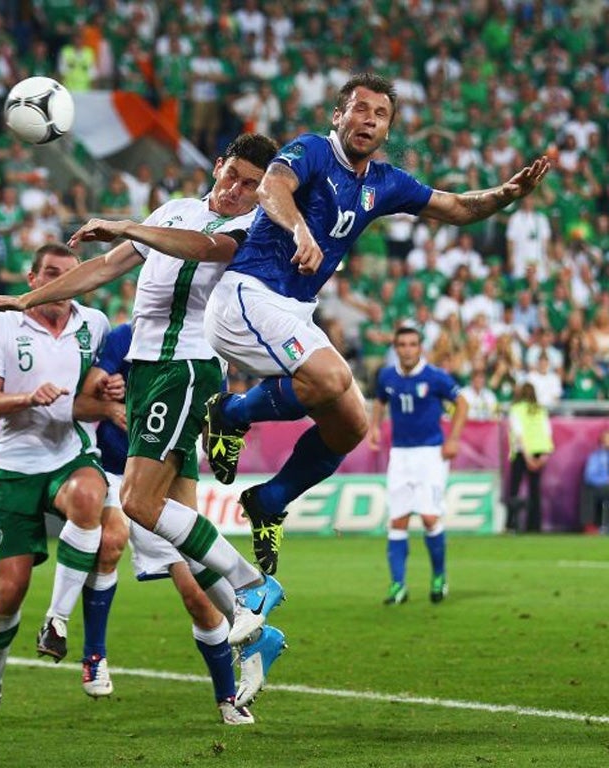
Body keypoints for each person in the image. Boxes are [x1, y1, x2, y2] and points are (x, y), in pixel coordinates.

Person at [197, 73, 547, 576]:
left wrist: (506, 194)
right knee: (331, 379)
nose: (369, 120)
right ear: (339, 116)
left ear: (387, 129)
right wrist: (298, 228)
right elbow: (273, 187)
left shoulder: (383, 183)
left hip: (291, 311)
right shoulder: (313, 151)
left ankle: (270, 499)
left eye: (380, 115)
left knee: (352, 424)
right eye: (360, 109)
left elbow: (454, 207)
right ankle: (230, 413)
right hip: (247, 296)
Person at [0, 134, 285, 660]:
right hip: (149, 372)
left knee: (139, 502)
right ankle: (253, 635)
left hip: (186, 368)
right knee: (184, 526)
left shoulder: (251, 228)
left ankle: (252, 582)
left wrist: (125, 225)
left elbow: (200, 249)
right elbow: (104, 267)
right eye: (233, 175)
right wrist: (29, 298)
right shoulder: (176, 210)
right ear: (217, 166)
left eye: (252, 185)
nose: (237, 190)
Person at [74, 322, 284, 722]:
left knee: (197, 596)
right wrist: (108, 402)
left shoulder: (207, 346)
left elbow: (209, 416)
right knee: (111, 539)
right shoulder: (125, 339)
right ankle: (93, 654)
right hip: (116, 470)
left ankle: (232, 690)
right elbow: (80, 403)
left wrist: (217, 439)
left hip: (170, 462)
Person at [0, 244, 129, 728]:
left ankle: (56, 621)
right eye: (53, 274)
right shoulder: (2, 326)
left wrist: (109, 389)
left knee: (88, 498)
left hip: (70, 451)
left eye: (71, 275)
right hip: (14, 465)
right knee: (7, 593)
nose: (63, 284)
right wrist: (26, 398)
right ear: (33, 278)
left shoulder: (93, 323)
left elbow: (91, 389)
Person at [367, 326, 468, 605]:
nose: (408, 349)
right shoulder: (387, 376)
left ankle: (439, 577)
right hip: (400, 455)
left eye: (413, 344)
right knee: (397, 520)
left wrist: (454, 439)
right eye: (402, 344)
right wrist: (374, 427)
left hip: (431, 455)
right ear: (396, 348)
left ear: (420, 347)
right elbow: (379, 400)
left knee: (429, 517)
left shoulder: (435, 377)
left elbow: (462, 403)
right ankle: (398, 585)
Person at [505, 382, 554, 533]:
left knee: (515, 489)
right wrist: (543, 457)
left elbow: (519, 434)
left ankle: (511, 524)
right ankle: (534, 525)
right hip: (539, 451)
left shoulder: (516, 409)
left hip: (522, 452)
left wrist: (527, 458)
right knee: (535, 490)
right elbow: (547, 433)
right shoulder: (541, 410)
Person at [580, 429, 609, 534]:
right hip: (601, 487)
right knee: (588, 489)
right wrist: (606, 480)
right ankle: (590, 525)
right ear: (602, 442)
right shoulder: (596, 457)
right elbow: (589, 476)